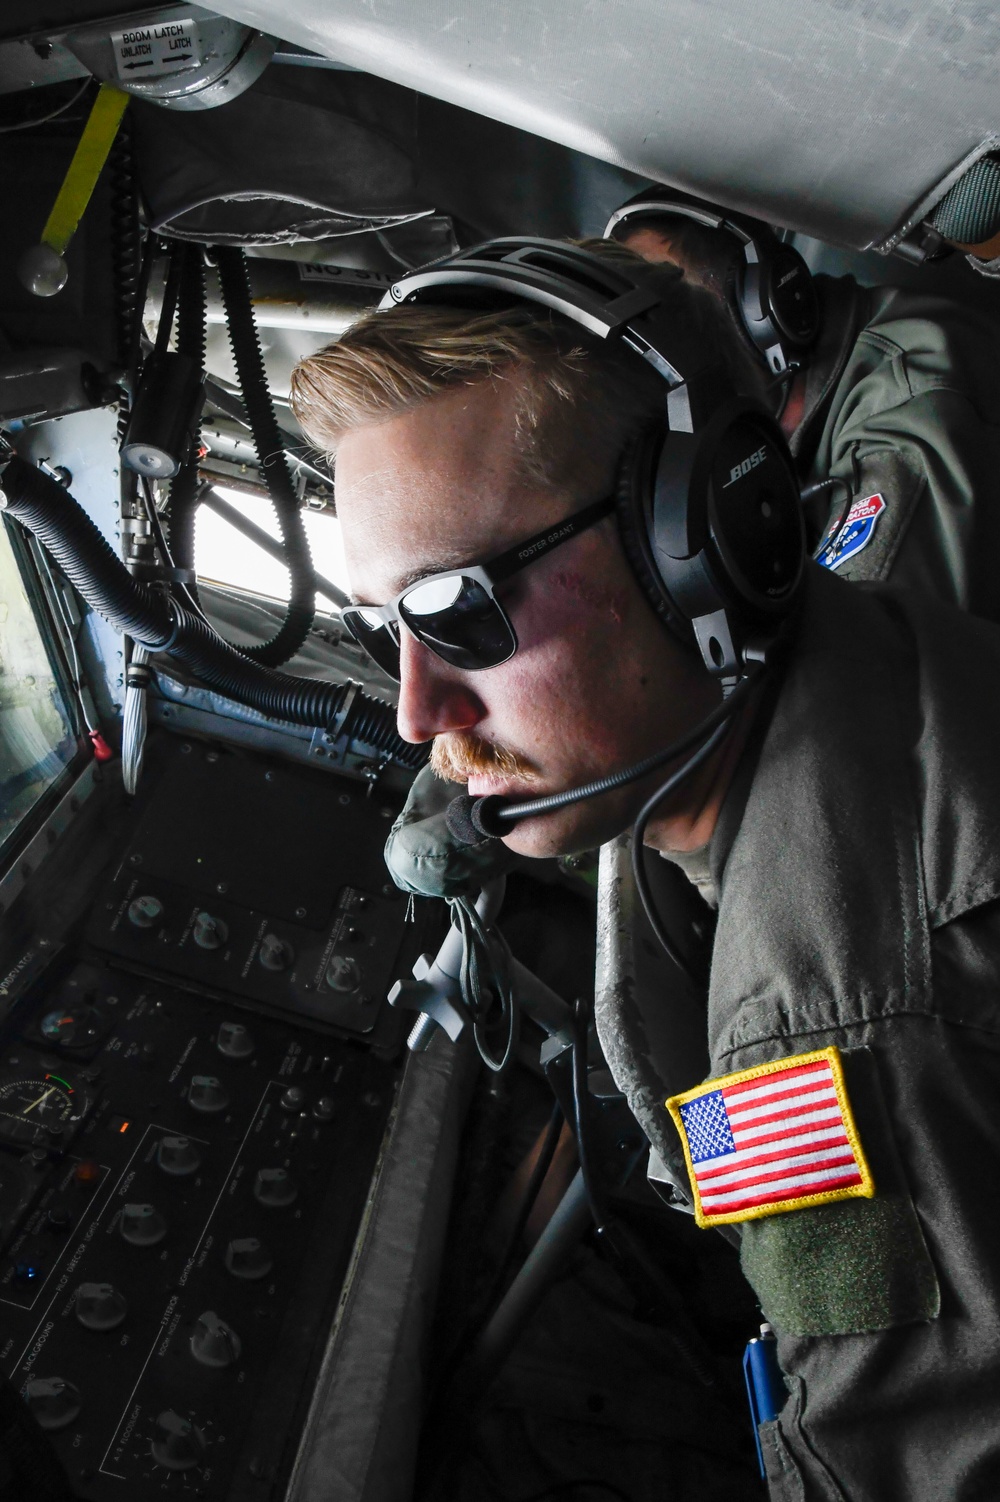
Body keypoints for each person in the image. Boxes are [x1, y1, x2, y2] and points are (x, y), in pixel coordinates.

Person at [290, 238, 1000, 1500]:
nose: (412, 708)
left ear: (711, 537)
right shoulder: (824, 665)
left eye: (458, 610)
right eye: (382, 624)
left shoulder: (853, 1033)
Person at [606, 187, 1000, 622]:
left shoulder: (908, 394)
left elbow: (867, 655)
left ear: (762, 308)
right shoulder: (775, 426)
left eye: (676, 320)